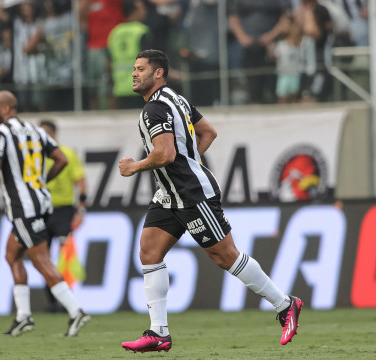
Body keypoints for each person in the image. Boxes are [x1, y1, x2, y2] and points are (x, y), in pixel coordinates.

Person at [118, 50, 302, 353]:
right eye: (134, 69)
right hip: (169, 196)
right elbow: (208, 132)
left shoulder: (154, 110)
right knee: (149, 252)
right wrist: (190, 160)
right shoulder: (176, 100)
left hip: (192, 194)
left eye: (140, 69)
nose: (134, 74)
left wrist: (134, 167)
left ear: (159, 73)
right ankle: (158, 333)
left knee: (225, 256)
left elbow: (165, 154)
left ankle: (285, 304)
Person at [0, 90, 90, 337]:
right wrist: (41, 182)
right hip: (42, 203)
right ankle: (24, 316)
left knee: (40, 260)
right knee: (11, 255)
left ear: (5, 109)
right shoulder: (36, 130)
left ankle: (75, 311)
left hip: (24, 208)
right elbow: (61, 160)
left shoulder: (1, 132)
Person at [38, 119, 88, 312]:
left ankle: (68, 301)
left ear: (53, 135)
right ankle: (52, 301)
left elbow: (80, 181)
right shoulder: (36, 157)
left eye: (44, 134)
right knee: (43, 257)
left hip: (64, 211)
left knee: (65, 257)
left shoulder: (67, 154)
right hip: (43, 211)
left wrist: (81, 209)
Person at [107, 0, 152, 109]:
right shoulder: (141, 31)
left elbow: (108, 63)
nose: (145, 12)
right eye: (142, 9)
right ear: (134, 11)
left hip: (120, 89)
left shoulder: (115, 32)